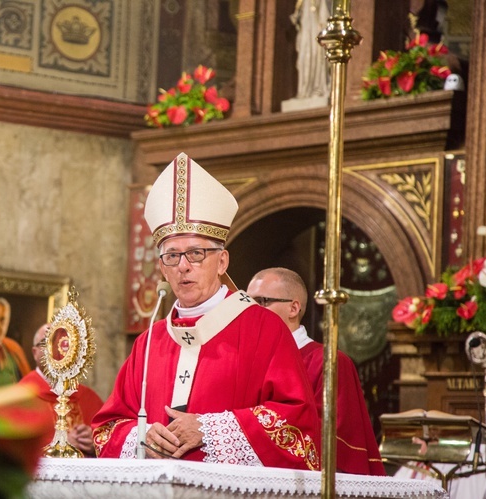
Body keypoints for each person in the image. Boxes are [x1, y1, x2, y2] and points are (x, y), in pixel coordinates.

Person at [92, 152, 321, 469]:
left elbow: (297, 423)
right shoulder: (150, 342)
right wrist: (141, 437)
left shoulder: (263, 328)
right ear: (162, 267)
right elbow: (108, 427)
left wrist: (210, 430)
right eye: (172, 257)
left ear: (222, 261)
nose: (183, 266)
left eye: (196, 253)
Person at [246, 267, 386, 475]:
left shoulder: (329, 362)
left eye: (262, 301)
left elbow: (332, 442)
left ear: (293, 308)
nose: (251, 310)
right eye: (247, 302)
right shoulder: (247, 363)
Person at [18, 323, 104, 456]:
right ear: (35, 353)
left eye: (62, 342)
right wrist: (59, 444)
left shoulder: (88, 397)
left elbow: (109, 440)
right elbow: (17, 445)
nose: (56, 348)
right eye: (47, 341)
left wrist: (94, 441)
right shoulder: (21, 396)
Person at [290, 0, 330, 100]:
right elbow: (297, 19)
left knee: (317, 56)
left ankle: (318, 87)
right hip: (305, 34)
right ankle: (304, 90)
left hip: (316, 32)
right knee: (303, 60)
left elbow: (324, 16)